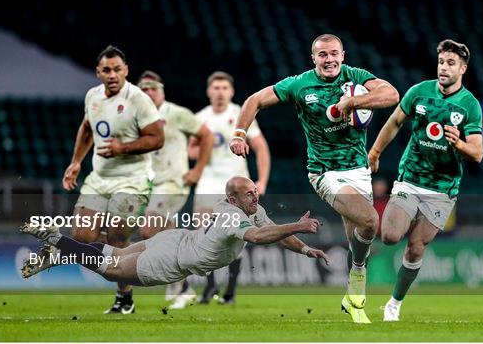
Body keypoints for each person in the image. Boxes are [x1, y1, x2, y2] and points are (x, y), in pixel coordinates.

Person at [230, 34, 400, 323]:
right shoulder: (299, 84)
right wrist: (239, 133)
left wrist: (353, 102)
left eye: (334, 53)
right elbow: (254, 100)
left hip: (358, 169)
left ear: (343, 55)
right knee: (370, 220)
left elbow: (392, 95)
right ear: (314, 58)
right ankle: (358, 282)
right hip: (325, 172)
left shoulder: (355, 77)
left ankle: (353, 294)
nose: (329, 59)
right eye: (322, 55)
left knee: (360, 237)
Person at [25, 46, 164, 314]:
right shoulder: (92, 96)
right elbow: (88, 127)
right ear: (98, 72)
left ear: (126, 71)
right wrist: (76, 162)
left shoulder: (138, 99)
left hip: (133, 180)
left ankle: (124, 298)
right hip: (99, 179)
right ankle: (76, 249)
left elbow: (157, 138)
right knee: (81, 235)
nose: (112, 75)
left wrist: (122, 148)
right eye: (106, 70)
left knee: (117, 237)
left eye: (117, 69)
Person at [20, 177, 330, 293]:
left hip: (176, 239)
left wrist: (304, 249)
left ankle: (60, 251)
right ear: (233, 200)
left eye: (255, 192)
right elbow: (259, 238)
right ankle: (56, 240)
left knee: (113, 256)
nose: (255, 197)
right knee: (111, 271)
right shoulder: (231, 216)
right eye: (249, 194)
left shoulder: (249, 209)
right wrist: (297, 225)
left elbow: (271, 231)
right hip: (174, 257)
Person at [367, 39, 483, 321]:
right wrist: (375, 152)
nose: (444, 67)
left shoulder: (470, 105)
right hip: (411, 179)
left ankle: (394, 303)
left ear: (463, 69)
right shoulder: (419, 92)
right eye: (442, 62)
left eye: (451, 63)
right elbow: (395, 121)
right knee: (391, 236)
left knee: (416, 246)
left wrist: (459, 145)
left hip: (443, 188)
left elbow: (477, 153)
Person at [187, 71, 271, 308]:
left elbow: (261, 148)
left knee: (237, 238)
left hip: (237, 186)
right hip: (208, 183)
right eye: (216, 88)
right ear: (208, 91)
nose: (220, 92)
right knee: (202, 235)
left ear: (231, 91)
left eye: (225, 88)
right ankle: (211, 285)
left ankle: (230, 291)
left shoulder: (240, 115)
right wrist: (195, 152)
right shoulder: (200, 118)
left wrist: (261, 180)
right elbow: (190, 151)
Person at [137, 70, 214, 303]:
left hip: (173, 182)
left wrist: (198, 169)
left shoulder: (177, 113)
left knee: (148, 229)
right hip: (148, 183)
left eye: (153, 88)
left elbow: (206, 135)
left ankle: (180, 281)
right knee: (167, 235)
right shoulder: (136, 116)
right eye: (144, 89)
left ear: (162, 91)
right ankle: (180, 283)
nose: (149, 92)